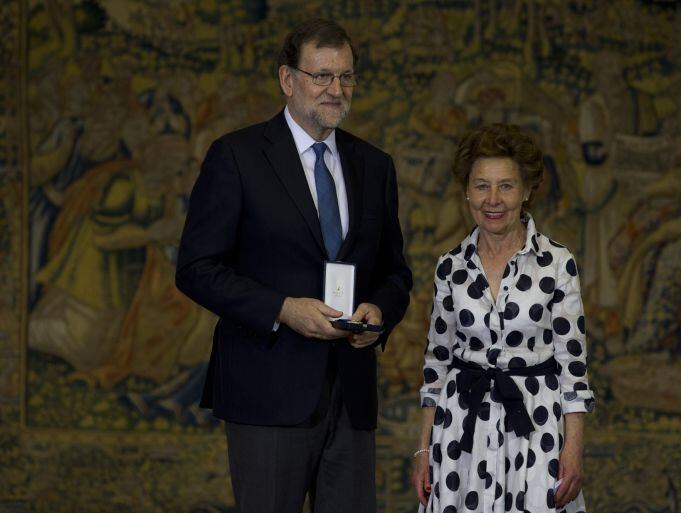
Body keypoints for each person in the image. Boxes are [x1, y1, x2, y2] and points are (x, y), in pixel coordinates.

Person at [175, 19, 413, 513]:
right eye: (322, 76)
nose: (336, 89)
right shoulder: (236, 156)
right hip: (266, 391)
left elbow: (396, 273)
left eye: (346, 77)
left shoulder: (375, 164)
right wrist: (283, 308)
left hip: (352, 394)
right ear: (288, 79)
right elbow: (196, 268)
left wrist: (378, 311)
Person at [412, 124, 595, 512]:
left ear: (526, 191)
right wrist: (422, 451)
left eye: (506, 186)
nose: (492, 200)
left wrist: (573, 449)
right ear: (466, 191)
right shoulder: (450, 267)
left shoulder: (557, 263)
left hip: (536, 429)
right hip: (461, 431)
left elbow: (573, 369)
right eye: (481, 186)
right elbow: (436, 367)